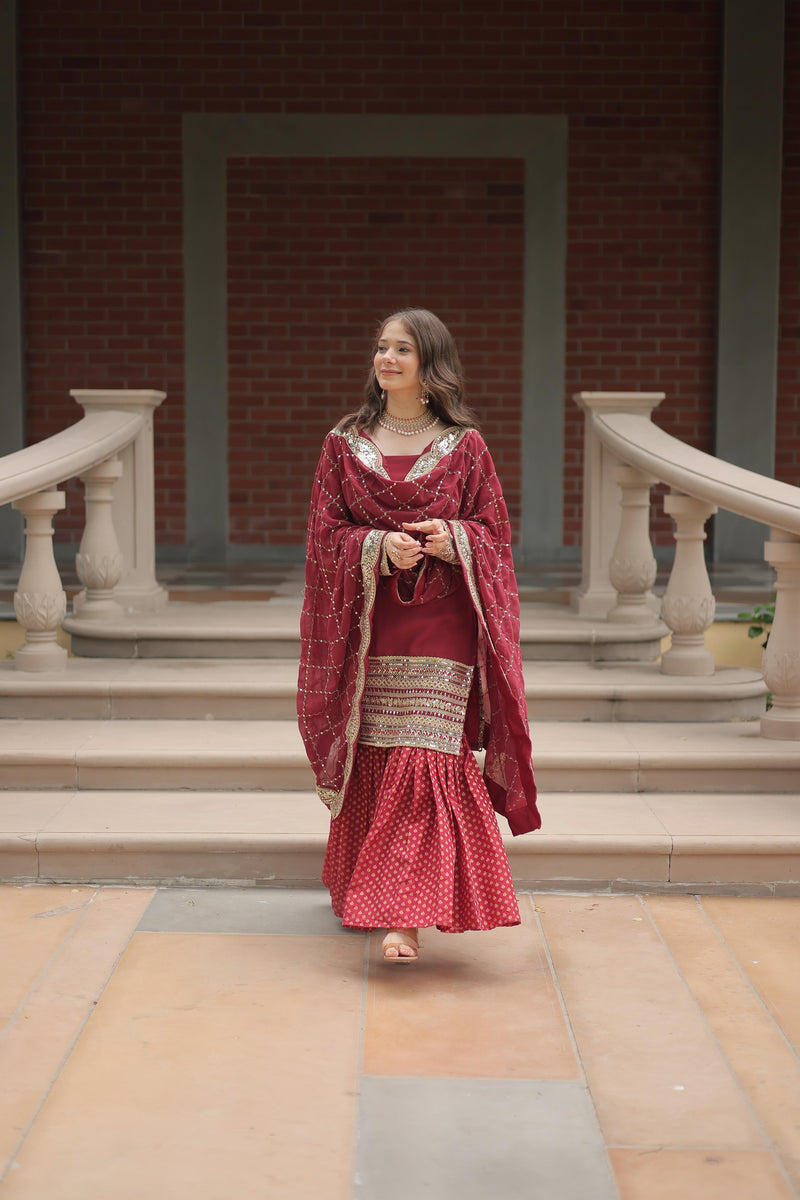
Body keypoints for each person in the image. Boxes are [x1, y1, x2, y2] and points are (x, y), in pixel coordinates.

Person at [297, 308, 540, 962]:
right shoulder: (343, 444)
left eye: (402, 349)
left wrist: (452, 538)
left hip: (443, 621)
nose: (387, 358)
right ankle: (363, 888)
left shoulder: (466, 447)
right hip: (370, 622)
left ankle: (402, 916)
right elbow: (324, 538)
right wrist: (375, 546)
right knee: (378, 747)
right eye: (381, 347)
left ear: (429, 367)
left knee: (424, 752)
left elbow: (495, 534)